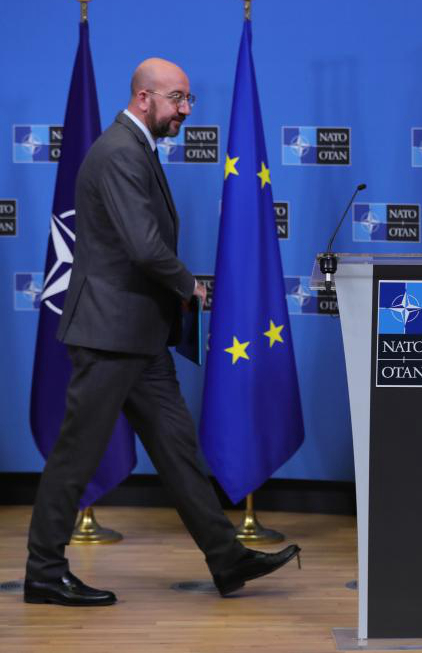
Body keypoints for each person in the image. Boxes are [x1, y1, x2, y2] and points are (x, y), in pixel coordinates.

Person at [24, 58, 299, 606]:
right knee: (77, 455)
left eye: (189, 99)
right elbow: (145, 247)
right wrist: (189, 286)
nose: (186, 110)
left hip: (139, 337)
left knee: (178, 451)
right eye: (177, 98)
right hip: (109, 335)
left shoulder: (138, 148)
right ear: (143, 97)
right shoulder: (119, 151)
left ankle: (226, 558)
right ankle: (44, 572)